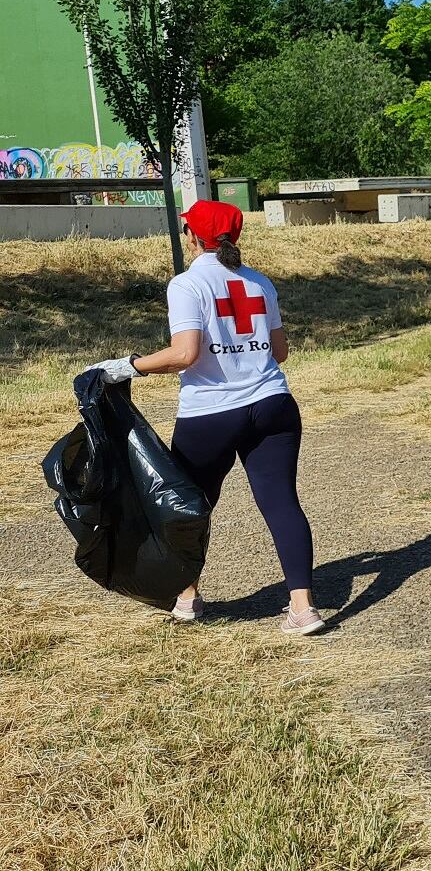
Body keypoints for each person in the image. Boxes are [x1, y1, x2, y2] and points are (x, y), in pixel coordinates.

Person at [90, 199, 326, 635]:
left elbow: (185, 355)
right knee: (281, 503)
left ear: (193, 237)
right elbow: (280, 352)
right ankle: (303, 609)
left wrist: (124, 366)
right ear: (236, 236)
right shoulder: (260, 283)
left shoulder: (185, 285)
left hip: (212, 413)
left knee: (190, 507)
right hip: (274, 405)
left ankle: (188, 597)